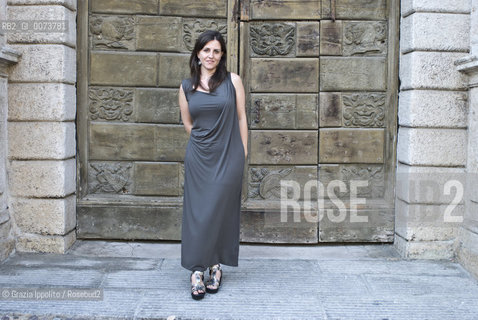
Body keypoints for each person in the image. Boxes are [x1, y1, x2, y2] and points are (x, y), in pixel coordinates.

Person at [178, 30, 248, 300]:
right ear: (198, 53)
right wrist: (203, 144)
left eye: (216, 51)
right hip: (199, 157)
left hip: (229, 156)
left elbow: (241, 118)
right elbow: (188, 124)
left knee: (220, 210)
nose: (211, 55)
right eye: (206, 50)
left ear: (222, 55)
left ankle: (216, 264)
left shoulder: (233, 81)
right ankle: (197, 271)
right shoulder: (185, 87)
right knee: (197, 213)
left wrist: (242, 153)